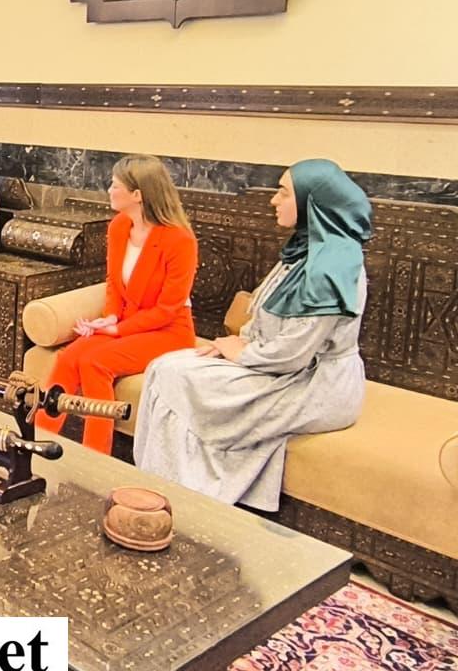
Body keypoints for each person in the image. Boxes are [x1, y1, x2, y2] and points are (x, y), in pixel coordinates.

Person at [134, 160, 372, 511]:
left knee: (178, 377)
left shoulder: (332, 266)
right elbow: (266, 317)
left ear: (310, 201)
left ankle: (185, 500)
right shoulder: (304, 250)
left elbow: (295, 353)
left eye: (283, 192)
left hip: (314, 385)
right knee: (165, 367)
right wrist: (239, 343)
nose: (274, 200)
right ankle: (163, 488)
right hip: (278, 365)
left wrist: (241, 353)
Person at [35, 154, 198, 455]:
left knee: (95, 362)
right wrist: (110, 317)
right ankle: (36, 439)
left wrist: (116, 329)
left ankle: (95, 456)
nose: (109, 190)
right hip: (126, 322)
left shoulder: (179, 240)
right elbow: (113, 282)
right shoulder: (119, 226)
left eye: (115, 185)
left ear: (137, 194)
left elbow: (168, 310)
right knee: (69, 357)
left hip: (168, 332)